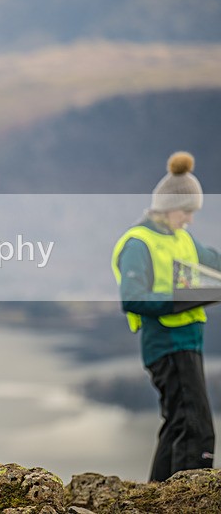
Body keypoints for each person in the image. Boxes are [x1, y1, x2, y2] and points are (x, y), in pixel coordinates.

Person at [112, 151, 221, 482]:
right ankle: (187, 499)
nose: (189, 219)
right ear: (167, 206)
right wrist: (189, 297)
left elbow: (214, 262)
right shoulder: (138, 243)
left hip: (188, 344)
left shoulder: (182, 238)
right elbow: (133, 299)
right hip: (166, 346)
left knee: (178, 423)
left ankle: (156, 495)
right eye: (186, 210)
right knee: (196, 428)